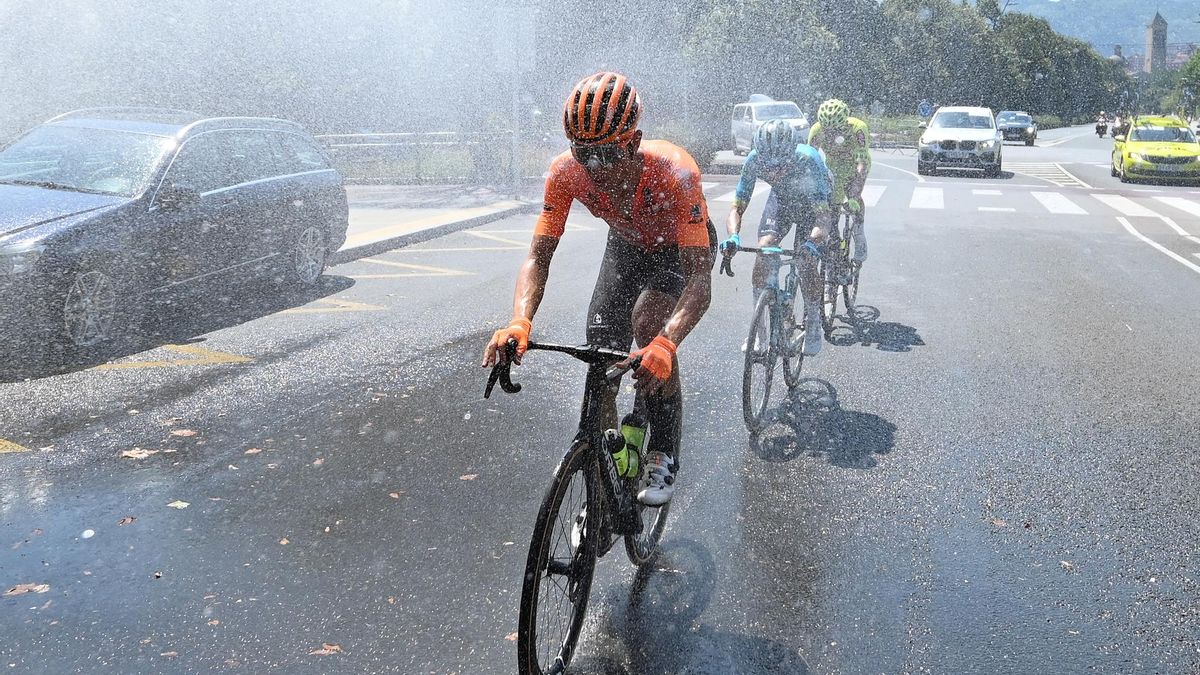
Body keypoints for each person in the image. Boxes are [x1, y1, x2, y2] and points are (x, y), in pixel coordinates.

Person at [482, 71, 715, 507]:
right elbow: (538, 257)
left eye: (606, 155)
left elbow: (700, 282)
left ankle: (662, 450)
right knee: (601, 352)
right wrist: (519, 320)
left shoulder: (676, 172)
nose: (594, 168)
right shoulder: (565, 172)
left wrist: (666, 343)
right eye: (583, 153)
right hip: (626, 245)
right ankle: (605, 468)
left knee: (648, 324)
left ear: (634, 140)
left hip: (677, 251)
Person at [720, 118, 834, 357]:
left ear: (791, 153)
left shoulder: (808, 160)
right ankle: (759, 333)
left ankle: (813, 324)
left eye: (780, 165)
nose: (774, 171)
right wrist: (733, 237)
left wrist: (813, 243)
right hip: (782, 200)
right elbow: (737, 207)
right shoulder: (754, 160)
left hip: (812, 205)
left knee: (805, 262)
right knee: (764, 248)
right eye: (768, 166)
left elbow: (823, 218)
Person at [807, 98, 871, 265]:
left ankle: (859, 233)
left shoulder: (858, 128)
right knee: (831, 208)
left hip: (854, 164)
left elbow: (862, 164)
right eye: (827, 130)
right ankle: (833, 240)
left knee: (852, 195)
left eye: (835, 129)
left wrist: (854, 196)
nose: (831, 133)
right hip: (833, 166)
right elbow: (809, 161)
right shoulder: (816, 130)